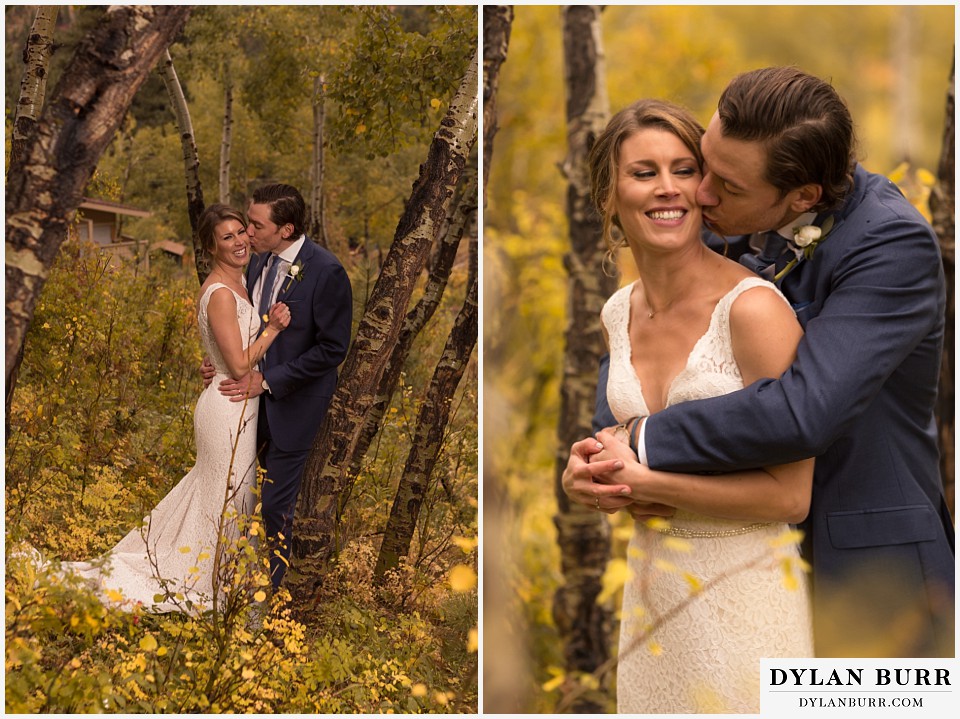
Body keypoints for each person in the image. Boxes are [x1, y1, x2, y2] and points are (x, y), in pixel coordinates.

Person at [564, 67, 954, 659]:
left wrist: (641, 442)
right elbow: (643, 359)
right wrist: (601, 457)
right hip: (725, 577)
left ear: (802, 198)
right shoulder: (728, 216)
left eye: (727, 186)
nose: (701, 194)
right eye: (706, 164)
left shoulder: (890, 245)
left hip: (869, 576)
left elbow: (805, 412)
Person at [573, 97, 816, 714]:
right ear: (610, 194)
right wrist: (590, 477)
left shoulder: (754, 310)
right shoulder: (617, 312)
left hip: (747, 593)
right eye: (644, 172)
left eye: (684, 170)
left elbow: (791, 497)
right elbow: (630, 451)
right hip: (654, 600)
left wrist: (649, 480)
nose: (669, 190)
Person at [60, 204, 291, 612]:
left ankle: (226, 580)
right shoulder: (220, 293)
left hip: (236, 403)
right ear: (210, 246)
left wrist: (217, 361)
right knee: (227, 498)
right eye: (227, 237)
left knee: (224, 497)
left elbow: (224, 354)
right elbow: (238, 365)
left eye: (241, 232)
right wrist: (272, 329)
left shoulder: (241, 282)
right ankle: (210, 584)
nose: (239, 241)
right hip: (226, 407)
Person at [204, 183, 352, 590]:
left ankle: (270, 593)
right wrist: (220, 361)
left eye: (255, 225)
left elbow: (333, 349)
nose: (247, 233)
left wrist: (268, 380)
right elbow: (243, 326)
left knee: (274, 507)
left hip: (293, 405)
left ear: (285, 229)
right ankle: (228, 579)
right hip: (245, 404)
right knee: (234, 496)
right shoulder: (256, 263)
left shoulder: (326, 271)